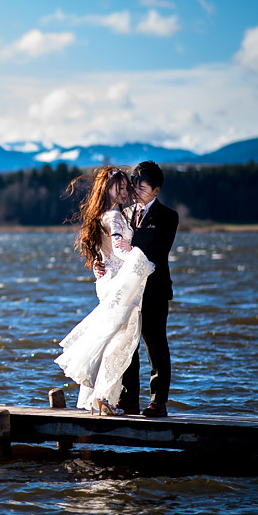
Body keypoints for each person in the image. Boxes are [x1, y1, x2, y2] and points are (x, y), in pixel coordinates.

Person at [54, 166, 155, 415]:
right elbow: (119, 247)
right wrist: (138, 258)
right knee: (120, 342)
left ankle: (100, 399)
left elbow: (104, 251)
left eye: (125, 186)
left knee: (111, 339)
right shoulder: (114, 217)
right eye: (117, 187)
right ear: (106, 189)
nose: (123, 191)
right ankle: (103, 399)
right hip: (119, 284)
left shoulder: (102, 215)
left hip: (107, 281)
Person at [94, 161, 179, 417]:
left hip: (154, 290)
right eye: (135, 186)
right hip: (128, 292)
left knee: (155, 346)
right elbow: (112, 249)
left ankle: (158, 402)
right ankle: (129, 400)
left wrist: (133, 253)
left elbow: (159, 251)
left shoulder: (168, 216)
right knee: (127, 344)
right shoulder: (125, 214)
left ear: (156, 190)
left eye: (142, 187)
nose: (137, 191)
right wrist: (100, 265)